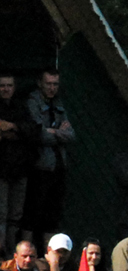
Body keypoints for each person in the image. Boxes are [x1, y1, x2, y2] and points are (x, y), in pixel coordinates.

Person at [24, 69, 75, 245]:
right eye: (49, 84)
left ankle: (48, 256)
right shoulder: (32, 102)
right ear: (40, 83)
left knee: (53, 214)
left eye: (55, 84)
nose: (52, 88)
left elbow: (71, 135)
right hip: (39, 166)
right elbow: (38, 134)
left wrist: (52, 132)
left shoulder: (58, 104)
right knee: (32, 211)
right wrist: (58, 132)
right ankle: (27, 252)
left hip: (59, 166)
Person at [0, 73, 37, 253]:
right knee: (1, 213)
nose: (6, 89)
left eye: (9, 85)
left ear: (14, 88)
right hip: (2, 170)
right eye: (2, 86)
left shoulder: (21, 107)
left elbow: (32, 131)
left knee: (16, 214)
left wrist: (12, 127)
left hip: (20, 169)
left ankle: (12, 249)